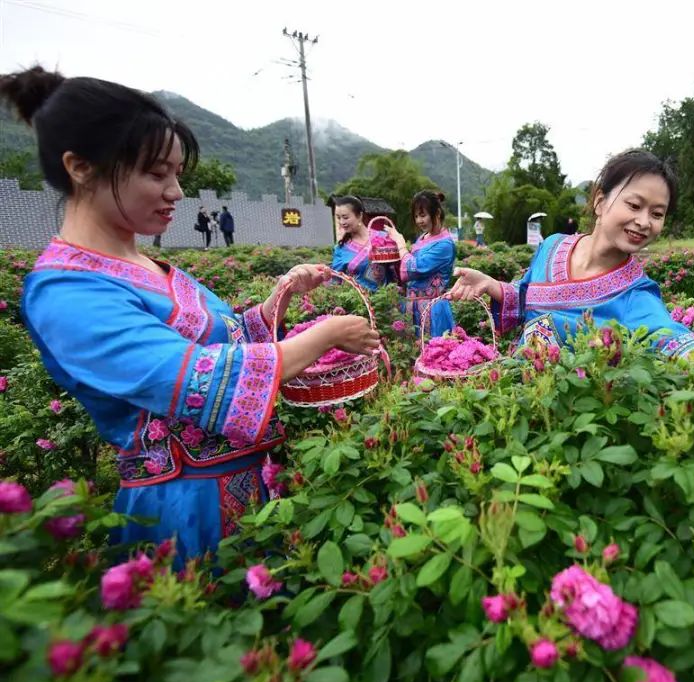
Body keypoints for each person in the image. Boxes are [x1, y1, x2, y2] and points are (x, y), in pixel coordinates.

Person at [1, 66, 381, 565]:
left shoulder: (140, 263)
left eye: (177, 173)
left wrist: (277, 300)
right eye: (156, 173)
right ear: (81, 167)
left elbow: (220, 340)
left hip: (247, 482)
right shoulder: (67, 292)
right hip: (186, 504)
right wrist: (326, 334)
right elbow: (197, 378)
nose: (176, 191)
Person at [449, 149, 694, 365]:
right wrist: (489, 284)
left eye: (657, 214)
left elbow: (670, 335)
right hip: (517, 397)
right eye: (634, 205)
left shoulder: (636, 294)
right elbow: (525, 296)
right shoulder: (552, 247)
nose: (644, 222)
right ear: (600, 202)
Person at [385, 190, 456, 337]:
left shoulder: (445, 245)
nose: (419, 221)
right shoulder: (423, 237)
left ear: (437, 213)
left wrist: (401, 244)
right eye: (416, 216)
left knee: (434, 348)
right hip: (413, 307)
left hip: (433, 309)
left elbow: (413, 269)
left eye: (423, 215)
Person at [330, 195, 389, 292]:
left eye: (345, 217)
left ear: (359, 216)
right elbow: (336, 281)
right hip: (357, 299)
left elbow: (395, 271)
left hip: (385, 297)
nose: (341, 222)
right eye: (338, 218)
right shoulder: (340, 248)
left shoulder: (383, 238)